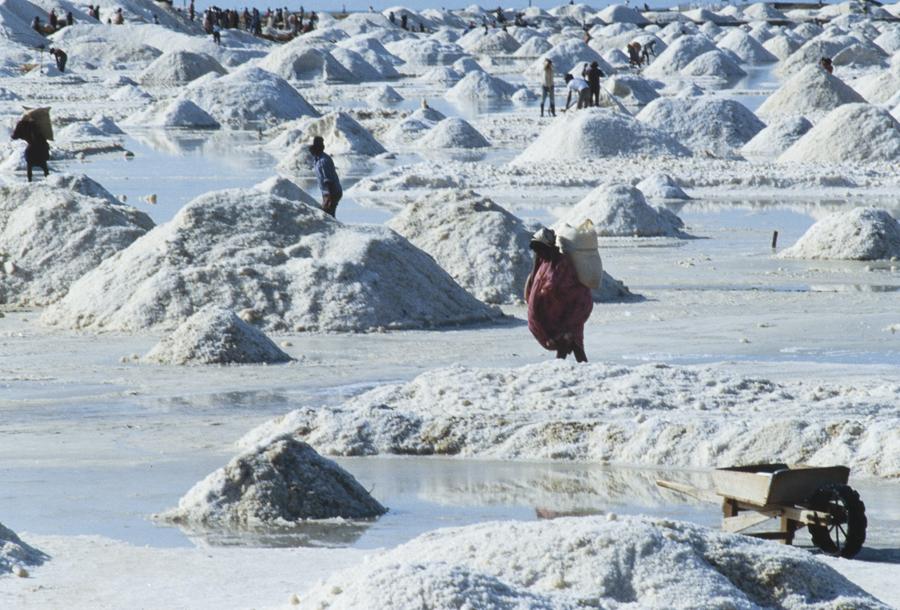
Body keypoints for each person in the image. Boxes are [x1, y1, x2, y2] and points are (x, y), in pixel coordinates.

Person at [524, 228, 592, 362]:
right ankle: (564, 366)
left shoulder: (562, 263)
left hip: (573, 306)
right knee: (568, 340)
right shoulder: (544, 263)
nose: (538, 254)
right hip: (559, 310)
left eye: (540, 250)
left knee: (570, 338)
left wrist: (547, 291)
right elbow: (535, 282)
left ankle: (570, 366)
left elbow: (566, 286)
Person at [12, 110, 51, 183]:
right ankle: (49, 182)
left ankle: (30, 182)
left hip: (32, 149)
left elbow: (14, 136)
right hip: (41, 148)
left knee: (29, 165)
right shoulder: (34, 124)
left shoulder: (21, 124)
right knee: (44, 167)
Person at [309, 136, 342, 217]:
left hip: (332, 192)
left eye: (312, 148)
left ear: (318, 148)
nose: (310, 151)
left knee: (327, 216)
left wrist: (328, 198)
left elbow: (329, 180)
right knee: (327, 214)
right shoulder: (317, 159)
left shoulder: (324, 161)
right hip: (326, 192)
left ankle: (335, 228)